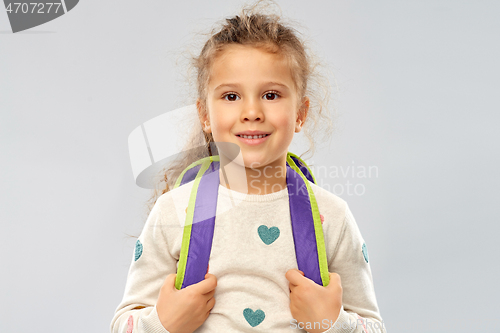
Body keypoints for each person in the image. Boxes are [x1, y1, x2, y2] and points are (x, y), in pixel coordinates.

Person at [110, 2, 386, 333]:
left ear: (300, 113)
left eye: (271, 95)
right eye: (230, 97)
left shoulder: (333, 217)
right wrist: (164, 323)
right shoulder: (174, 212)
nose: (252, 111)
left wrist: (332, 323)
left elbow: (373, 327)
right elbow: (122, 324)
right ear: (204, 115)